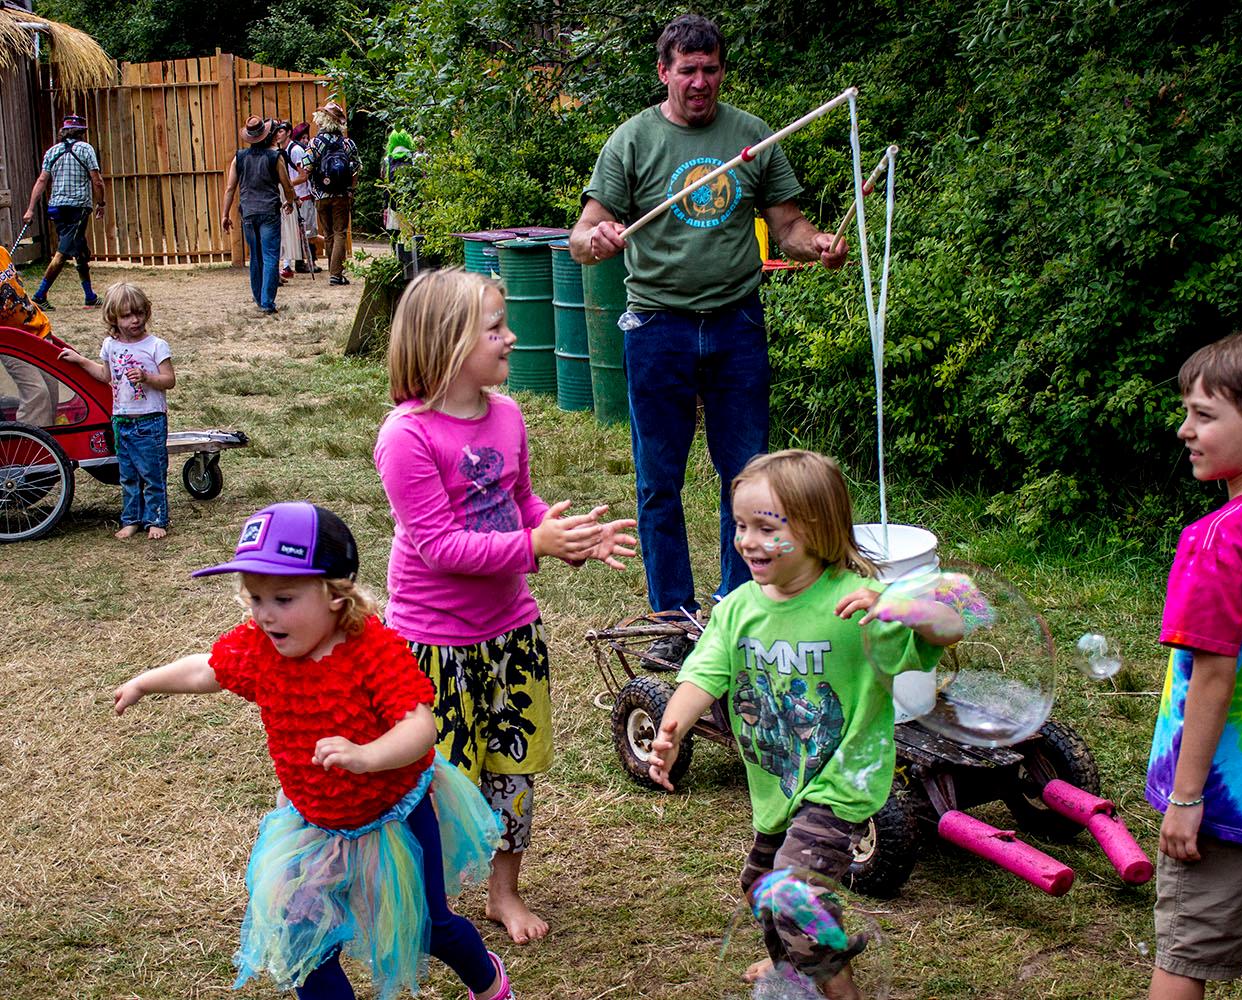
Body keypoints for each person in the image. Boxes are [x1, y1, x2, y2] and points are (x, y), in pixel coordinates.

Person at [111, 502, 519, 1000]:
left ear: (334, 594)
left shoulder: (371, 649)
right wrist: (145, 683)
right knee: (305, 940)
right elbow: (207, 670)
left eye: (282, 598)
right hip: (312, 823)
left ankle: (490, 981)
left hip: (393, 816)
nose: (263, 614)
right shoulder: (260, 646)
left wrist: (366, 754)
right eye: (255, 597)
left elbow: (420, 727)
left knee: (429, 925)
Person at [570, 14, 849, 660]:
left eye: (711, 69)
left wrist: (820, 246)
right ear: (663, 71)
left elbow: (790, 229)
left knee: (747, 477)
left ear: (722, 70)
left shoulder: (752, 136)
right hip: (656, 328)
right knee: (657, 480)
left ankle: (735, 610)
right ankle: (671, 620)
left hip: (735, 325)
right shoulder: (631, 141)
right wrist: (599, 239)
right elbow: (583, 236)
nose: (700, 82)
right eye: (687, 70)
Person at [374, 268, 637, 943]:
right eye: (495, 327)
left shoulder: (508, 415)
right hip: (431, 641)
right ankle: (424, 900)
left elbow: (517, 505)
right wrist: (535, 543)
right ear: (448, 343)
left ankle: (503, 892)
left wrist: (564, 535)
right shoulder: (406, 436)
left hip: (509, 633)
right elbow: (440, 547)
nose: (511, 336)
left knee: (512, 767)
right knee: (432, 779)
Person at [646, 450, 963, 999]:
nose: (747, 541)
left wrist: (899, 605)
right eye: (741, 525)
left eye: (767, 528)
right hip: (780, 785)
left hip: (840, 783)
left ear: (816, 530)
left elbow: (954, 623)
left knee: (791, 892)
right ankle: (793, 964)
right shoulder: (738, 608)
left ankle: (838, 987)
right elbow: (702, 678)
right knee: (759, 887)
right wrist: (671, 731)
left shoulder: (857, 605)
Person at [1144, 325, 1242, 1000]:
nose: (1185, 429)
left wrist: (1185, 797)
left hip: (1225, 806)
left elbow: (1213, 674)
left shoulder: (1217, 540)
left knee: (1185, 958)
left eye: (1203, 415)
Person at [57, 282, 174, 540]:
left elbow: (169, 380)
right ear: (113, 318)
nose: (135, 320)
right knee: (128, 475)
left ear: (147, 312)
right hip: (121, 420)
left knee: (153, 473)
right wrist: (79, 360)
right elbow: (105, 375)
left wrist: (147, 377)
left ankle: (156, 519)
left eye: (140, 313)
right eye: (127, 315)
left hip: (150, 420)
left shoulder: (156, 345)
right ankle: (131, 519)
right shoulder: (111, 346)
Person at [22, 113, 105, 310]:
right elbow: (97, 180)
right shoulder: (86, 149)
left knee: (80, 251)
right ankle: (39, 296)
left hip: (56, 208)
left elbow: (42, 181)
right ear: (81, 133)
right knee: (62, 254)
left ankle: (90, 296)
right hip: (77, 208)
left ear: (64, 132)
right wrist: (101, 203)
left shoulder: (52, 151)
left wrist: (30, 209)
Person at [221, 116, 296, 315]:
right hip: (269, 210)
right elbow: (286, 184)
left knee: (255, 255)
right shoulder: (275, 157)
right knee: (270, 256)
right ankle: (267, 302)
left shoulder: (240, 158)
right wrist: (291, 201)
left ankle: (258, 297)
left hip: (248, 212)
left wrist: (225, 214)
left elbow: (230, 188)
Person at [299, 102, 361, 286]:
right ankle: (336, 273)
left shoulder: (315, 143)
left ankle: (334, 272)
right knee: (340, 232)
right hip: (341, 194)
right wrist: (351, 190)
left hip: (320, 195)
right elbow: (356, 168)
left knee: (328, 234)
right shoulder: (347, 143)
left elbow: (306, 167)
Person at [0, 242, 59, 425]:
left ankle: (48, 444)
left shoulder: (2, 253)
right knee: (37, 393)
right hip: (10, 342)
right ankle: (26, 445)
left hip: (37, 329)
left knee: (52, 387)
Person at [287, 122, 321, 274]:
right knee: (306, 231)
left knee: (305, 231)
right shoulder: (297, 151)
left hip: (300, 194)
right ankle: (308, 262)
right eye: (303, 137)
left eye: (307, 137)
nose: (306, 141)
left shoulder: (292, 149)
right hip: (301, 195)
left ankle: (307, 261)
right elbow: (303, 175)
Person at [273, 121, 304, 283]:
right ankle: (286, 265)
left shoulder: (295, 150)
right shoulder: (279, 152)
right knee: (285, 231)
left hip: (293, 194)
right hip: (285, 194)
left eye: (281, 131)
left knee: (292, 231)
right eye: (276, 131)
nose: (278, 134)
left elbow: (303, 175)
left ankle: (288, 265)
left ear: (289, 132)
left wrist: (290, 190)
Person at [382, 129, 415, 253]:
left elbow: (385, 182)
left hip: (393, 202)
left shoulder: (387, 161)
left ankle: (398, 257)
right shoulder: (414, 158)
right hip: (412, 202)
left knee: (395, 233)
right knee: (411, 232)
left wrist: (385, 204)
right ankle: (412, 256)